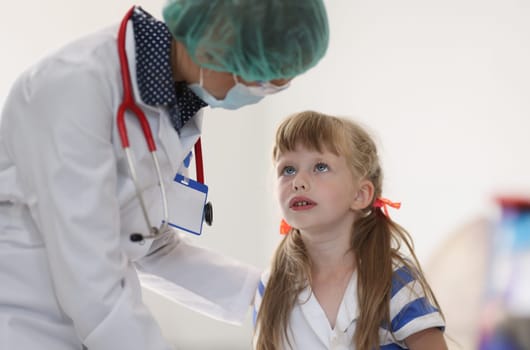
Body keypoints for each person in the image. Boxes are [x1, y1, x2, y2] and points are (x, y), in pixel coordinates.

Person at [0, 1, 329, 349]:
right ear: (214, 42)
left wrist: (278, 298)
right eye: (262, 81)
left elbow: (148, 244)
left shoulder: (174, 98)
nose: (259, 97)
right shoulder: (74, 86)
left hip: (91, 320)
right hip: (23, 320)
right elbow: (88, 271)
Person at [253, 111, 447, 349]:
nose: (298, 181)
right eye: (288, 170)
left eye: (320, 167)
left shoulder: (395, 282)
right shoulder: (271, 286)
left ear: (360, 194)